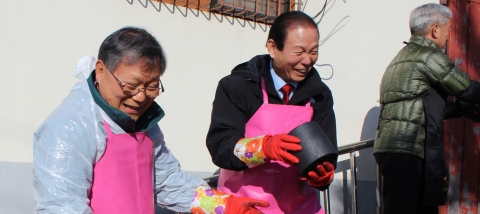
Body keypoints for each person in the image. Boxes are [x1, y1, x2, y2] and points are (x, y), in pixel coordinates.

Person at [33, 27, 269, 214]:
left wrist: (222, 205)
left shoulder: (145, 123)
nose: (140, 97)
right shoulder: (71, 125)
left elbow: (166, 181)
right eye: (131, 86)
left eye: (151, 86)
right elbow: (61, 205)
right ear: (101, 70)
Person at [206, 11, 337, 214]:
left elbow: (326, 155)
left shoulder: (320, 95)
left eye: (313, 51)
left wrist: (322, 175)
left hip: (301, 208)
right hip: (246, 208)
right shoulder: (237, 87)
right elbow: (220, 145)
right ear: (273, 48)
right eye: (299, 52)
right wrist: (263, 147)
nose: (307, 60)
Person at [374, 3, 480, 214]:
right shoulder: (428, 56)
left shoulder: (403, 56)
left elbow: (420, 107)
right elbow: (467, 88)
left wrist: (460, 109)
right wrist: (467, 101)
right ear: (435, 29)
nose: (448, 36)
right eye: (448, 29)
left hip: (393, 149)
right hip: (409, 151)